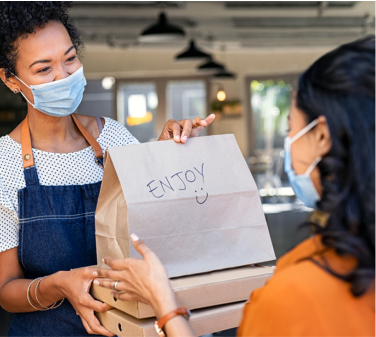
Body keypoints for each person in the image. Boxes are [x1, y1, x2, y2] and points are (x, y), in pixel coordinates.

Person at [0, 2, 215, 336]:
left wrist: (164, 155)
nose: (63, 76)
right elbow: (6, 290)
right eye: (44, 69)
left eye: (70, 59)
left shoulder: (114, 139)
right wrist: (59, 285)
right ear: (11, 79)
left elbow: (150, 216)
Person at [95, 35, 375, 336]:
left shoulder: (297, 296)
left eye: (290, 127)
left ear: (320, 136)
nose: (288, 141)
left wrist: (164, 304)